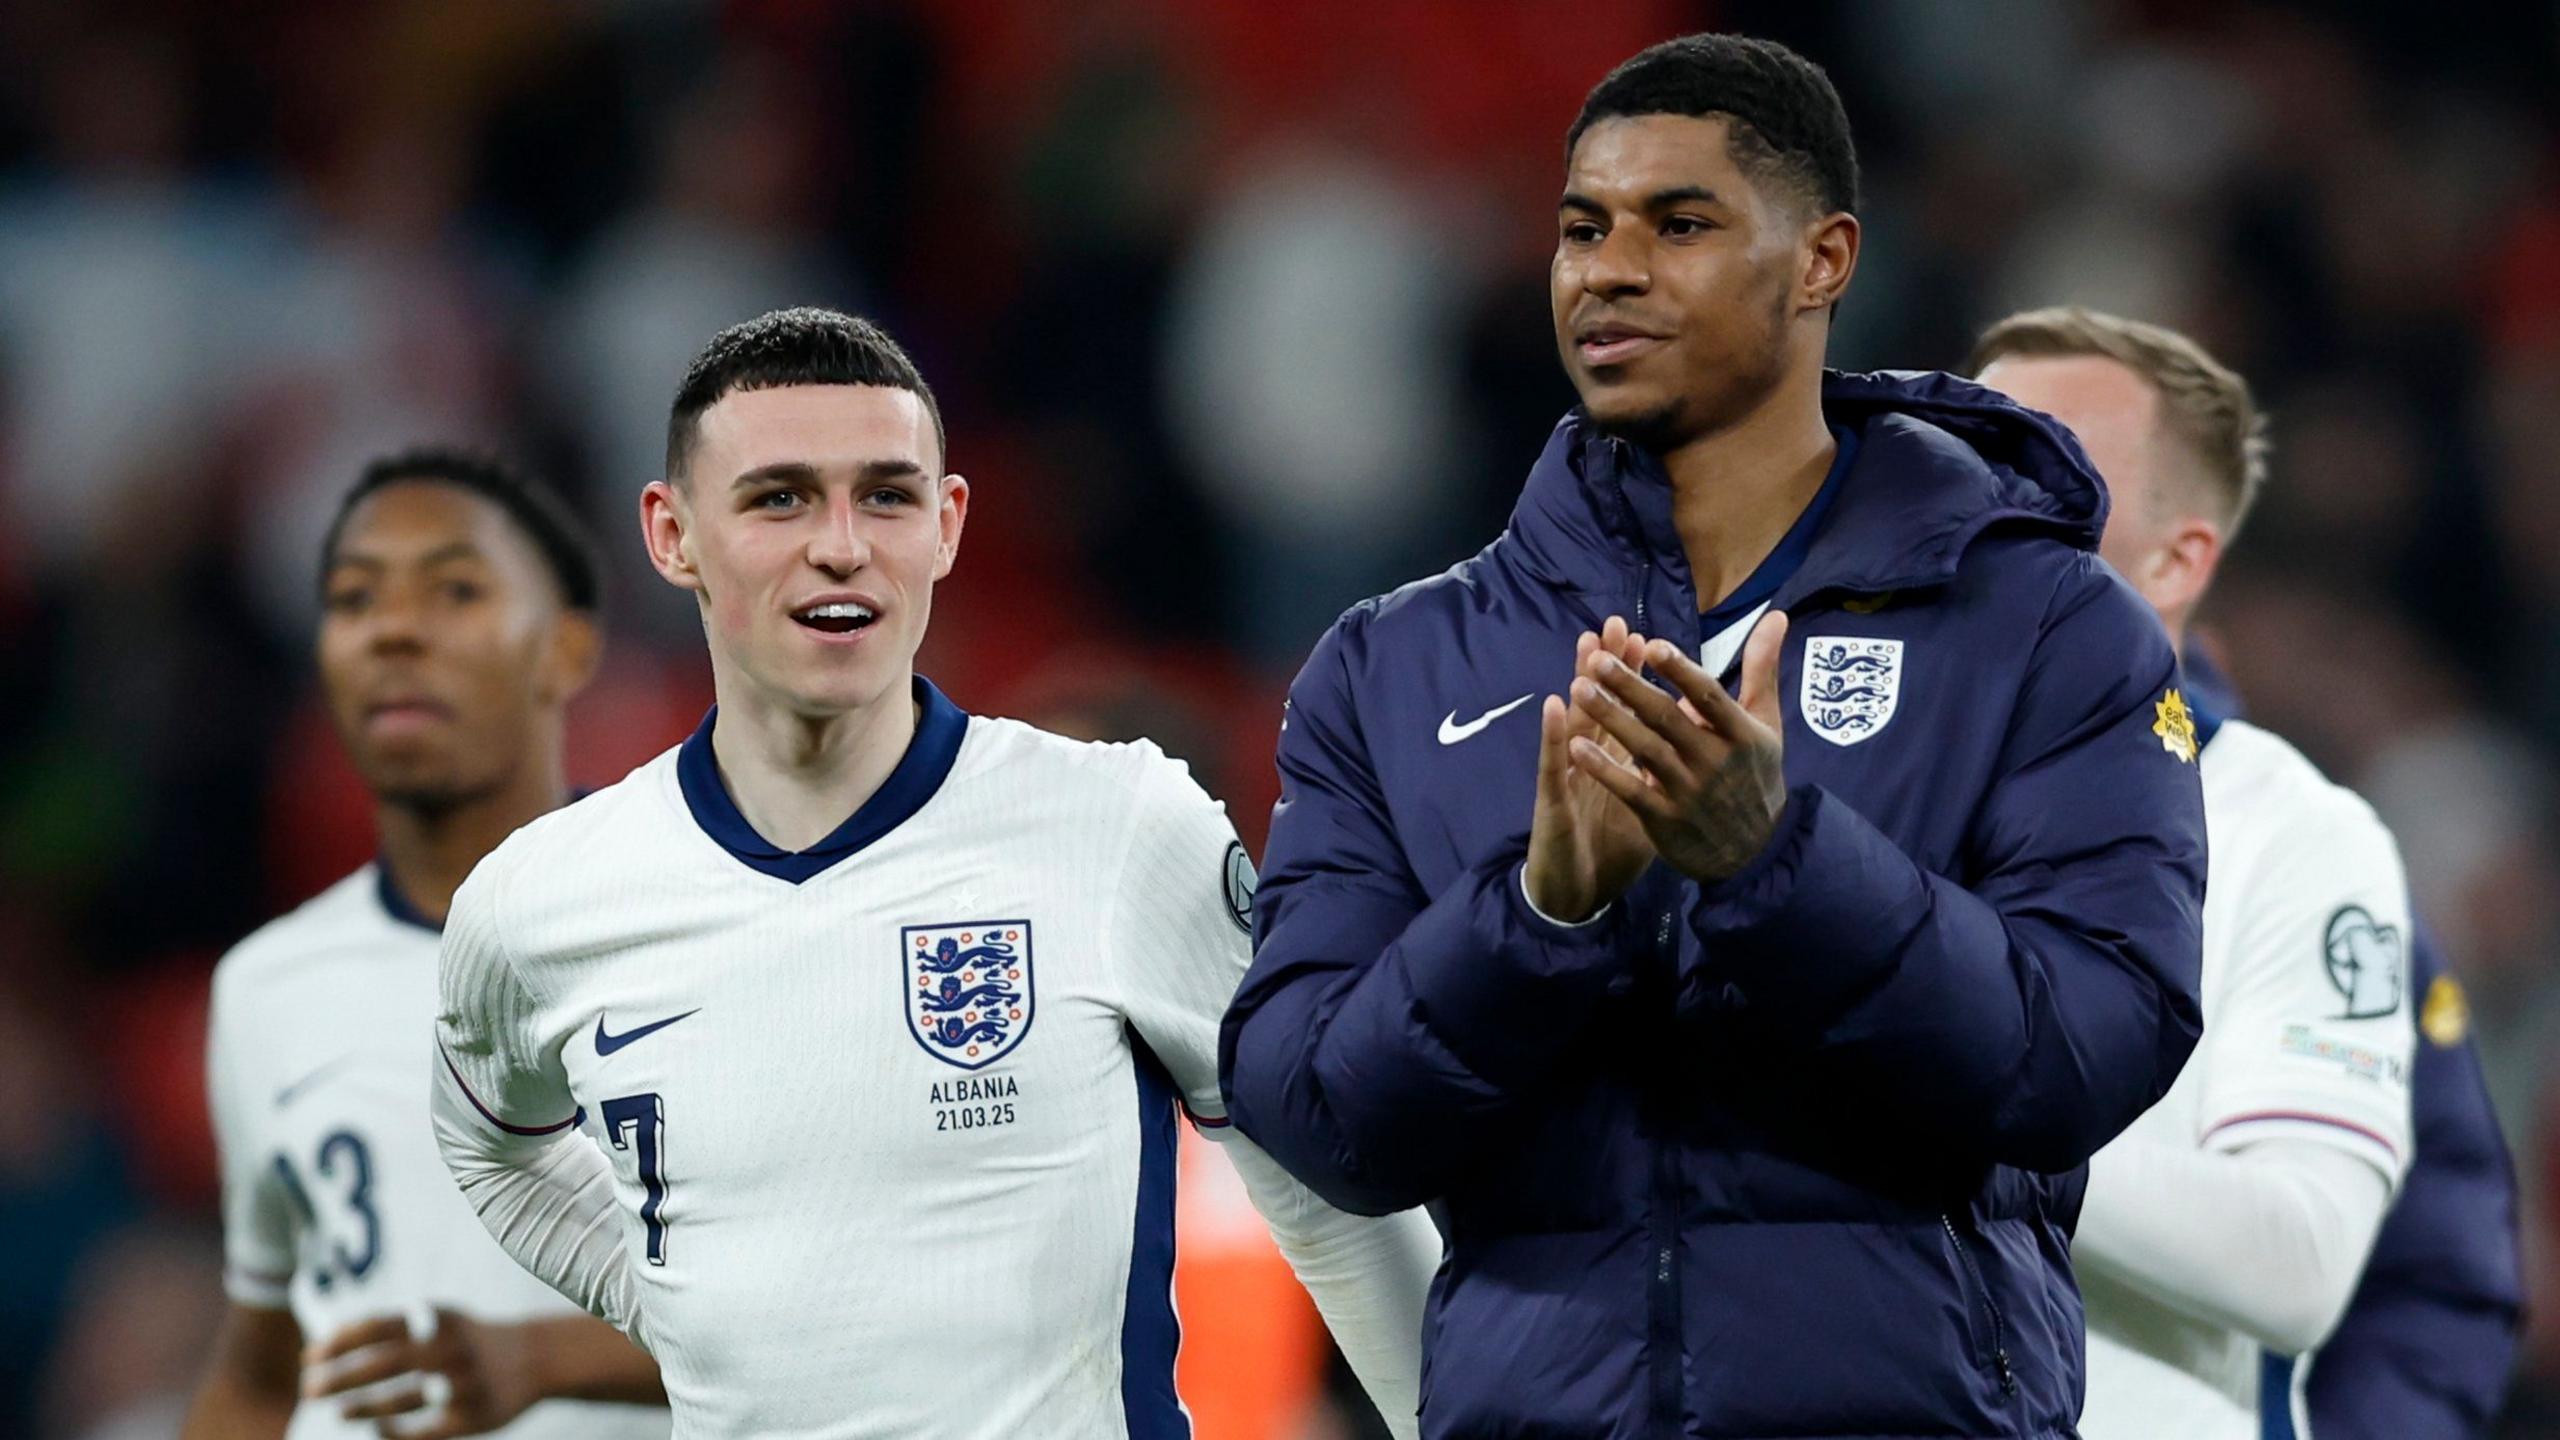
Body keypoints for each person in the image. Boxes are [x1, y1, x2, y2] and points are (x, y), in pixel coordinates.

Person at [1220, 33, 2208, 1440]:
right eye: (1582, 228)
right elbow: (1318, 1114)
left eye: (1679, 224)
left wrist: (1777, 866)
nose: (1607, 270)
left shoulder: (2044, 626)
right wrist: (1539, 915)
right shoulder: (1393, 664)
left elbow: (2087, 1054)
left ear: (1824, 261)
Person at [429, 307, 1440, 1439]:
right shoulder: (544, 900)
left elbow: (1329, 1190)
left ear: (948, 525)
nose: (843, 545)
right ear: (672, 538)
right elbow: (489, 1143)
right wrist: (657, 1290)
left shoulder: (1117, 828)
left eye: (888, 495)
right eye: (779, 498)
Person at [1972, 307, 2520, 1438]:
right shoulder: (1806, 793)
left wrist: (1958, 1094)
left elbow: (2309, 1261)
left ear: (2181, 560)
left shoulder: (2292, 835)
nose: (1979, 504)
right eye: (1960, 454)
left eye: (2042, 465)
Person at [184, 449, 667, 1439]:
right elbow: (262, 1371)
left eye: (455, 589)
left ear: (568, 651)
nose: (396, 630)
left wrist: (541, 1358)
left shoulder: (692, 920)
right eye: (355, 599)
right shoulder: (266, 986)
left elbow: (838, 1304)